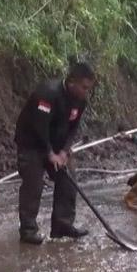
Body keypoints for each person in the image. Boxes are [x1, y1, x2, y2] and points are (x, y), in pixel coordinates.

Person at [13, 62, 96, 245]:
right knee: (33, 184)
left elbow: (73, 128)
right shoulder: (48, 93)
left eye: (88, 88)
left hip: (57, 146)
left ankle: (62, 225)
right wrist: (50, 153)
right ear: (72, 81)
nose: (86, 92)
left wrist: (65, 151)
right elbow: (39, 125)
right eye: (84, 87)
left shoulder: (80, 101)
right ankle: (28, 230)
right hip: (32, 144)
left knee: (68, 179)